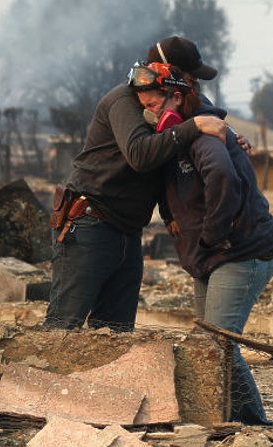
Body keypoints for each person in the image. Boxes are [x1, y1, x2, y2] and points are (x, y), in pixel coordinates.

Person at [45, 37, 233, 331]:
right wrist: (192, 127)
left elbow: (199, 123)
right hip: (90, 225)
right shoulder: (125, 101)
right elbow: (140, 155)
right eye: (189, 75)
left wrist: (231, 137)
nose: (194, 82)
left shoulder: (174, 100)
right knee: (62, 328)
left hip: (128, 232)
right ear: (165, 71)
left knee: (114, 333)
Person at [137, 65, 273, 427]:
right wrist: (170, 211)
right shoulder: (178, 138)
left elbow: (221, 175)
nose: (154, 113)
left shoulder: (204, 135)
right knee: (210, 345)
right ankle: (231, 420)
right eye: (147, 107)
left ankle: (253, 424)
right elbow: (170, 180)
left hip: (240, 252)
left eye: (156, 104)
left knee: (217, 346)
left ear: (178, 95)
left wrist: (213, 234)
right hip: (210, 256)